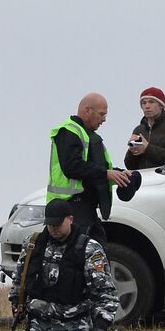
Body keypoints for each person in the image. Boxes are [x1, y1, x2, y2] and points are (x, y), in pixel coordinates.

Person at [9, 200, 119, 331]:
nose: (53, 229)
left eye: (58, 224)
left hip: (74, 325)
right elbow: (20, 278)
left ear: (70, 219)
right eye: (50, 224)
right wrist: (17, 302)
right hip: (40, 324)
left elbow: (105, 290)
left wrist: (101, 323)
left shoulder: (88, 248)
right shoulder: (33, 244)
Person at [48, 93, 140, 245]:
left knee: (99, 256)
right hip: (69, 209)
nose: (104, 120)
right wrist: (106, 174)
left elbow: (98, 169)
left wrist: (120, 174)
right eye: (102, 114)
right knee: (79, 258)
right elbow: (72, 167)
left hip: (86, 211)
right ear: (87, 110)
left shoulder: (90, 137)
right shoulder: (69, 132)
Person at [123, 86, 165, 169]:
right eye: (144, 103)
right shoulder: (139, 129)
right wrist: (132, 150)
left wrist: (147, 148)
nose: (147, 106)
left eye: (151, 102)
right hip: (143, 180)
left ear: (161, 105)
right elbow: (129, 166)